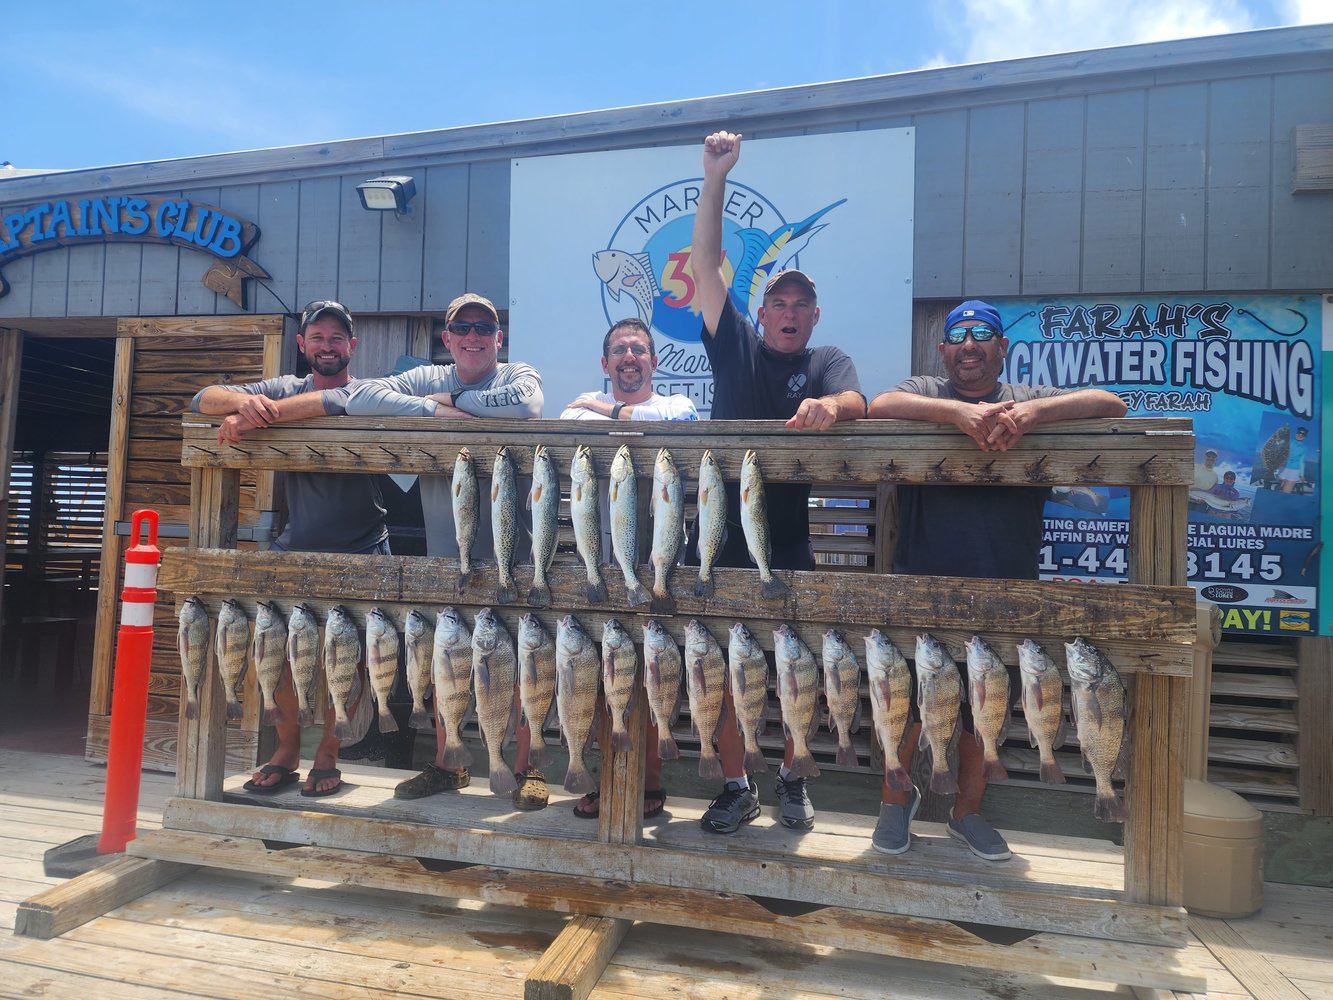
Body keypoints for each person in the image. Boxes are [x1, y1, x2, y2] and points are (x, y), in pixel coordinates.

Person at [866, 298, 1127, 861]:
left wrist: (1031, 417)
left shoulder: (1028, 398)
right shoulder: (927, 391)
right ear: (943, 351)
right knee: (906, 702)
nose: (969, 345)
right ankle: (894, 803)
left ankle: (968, 812)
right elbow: (880, 403)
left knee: (984, 708)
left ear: (1002, 347)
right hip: (924, 579)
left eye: (982, 334)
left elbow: (1112, 402)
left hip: (1006, 583)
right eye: (959, 336)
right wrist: (958, 416)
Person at [689, 130, 866, 836]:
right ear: (759, 312)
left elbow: (858, 401)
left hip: (788, 544)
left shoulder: (827, 359)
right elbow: (705, 264)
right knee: (728, 678)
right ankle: (737, 784)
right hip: (714, 544)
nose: (789, 312)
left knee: (796, 674)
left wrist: (833, 406)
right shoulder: (729, 341)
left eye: (801, 303)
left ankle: (793, 780)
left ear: (813, 316)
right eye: (778, 302)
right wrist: (713, 178)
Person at [344, 292, 549, 808]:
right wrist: (431, 406)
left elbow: (528, 405)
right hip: (446, 560)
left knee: (524, 667)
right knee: (443, 664)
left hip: (515, 560)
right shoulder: (427, 378)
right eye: (464, 328)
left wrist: (452, 408)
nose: (474, 336)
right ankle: (448, 763)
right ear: (448, 338)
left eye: (485, 327)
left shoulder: (516, 374)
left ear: (499, 338)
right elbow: (360, 397)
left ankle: (529, 769)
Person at [192, 299, 389, 798]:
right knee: (274, 651)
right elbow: (201, 399)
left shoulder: (370, 391)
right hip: (295, 542)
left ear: (352, 346)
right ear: (301, 345)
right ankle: (285, 750)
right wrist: (241, 405)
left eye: (336, 338)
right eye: (317, 337)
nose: (327, 346)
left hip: (364, 547)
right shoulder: (281, 387)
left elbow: (331, 403)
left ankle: (329, 755)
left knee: (347, 659)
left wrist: (262, 415)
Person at [560, 317, 699, 821]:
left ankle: (648, 778)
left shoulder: (676, 405)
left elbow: (671, 431)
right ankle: (605, 776)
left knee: (654, 669)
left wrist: (608, 411)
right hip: (599, 562)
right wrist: (605, 410)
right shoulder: (577, 406)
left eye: (638, 349)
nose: (628, 358)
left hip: (663, 562)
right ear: (604, 363)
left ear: (654, 361)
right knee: (600, 672)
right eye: (618, 350)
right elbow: (562, 442)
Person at [1281, 427, 1309, 493]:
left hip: (1295, 470)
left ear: (1305, 437)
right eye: (1299, 432)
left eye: (1303, 434)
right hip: (1283, 467)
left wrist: (1302, 475)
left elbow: (1302, 462)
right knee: (1281, 486)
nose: (1301, 435)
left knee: (1286, 491)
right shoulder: (1288, 441)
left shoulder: (1305, 448)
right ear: (1296, 433)